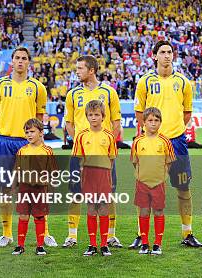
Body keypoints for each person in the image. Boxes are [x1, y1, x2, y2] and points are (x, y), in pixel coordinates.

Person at [132, 40, 202, 248]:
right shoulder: (144, 82)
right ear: (154, 56)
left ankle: (187, 233)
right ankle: (141, 234)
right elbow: (139, 112)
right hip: (152, 144)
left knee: (183, 187)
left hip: (177, 143)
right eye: (162, 52)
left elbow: (187, 113)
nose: (167, 55)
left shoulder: (183, 82)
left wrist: (173, 132)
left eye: (170, 52)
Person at [0, 47, 53, 247]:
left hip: (28, 143)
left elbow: (39, 118)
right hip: (4, 140)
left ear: (29, 63)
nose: (20, 61)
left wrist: (37, 142)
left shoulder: (37, 87)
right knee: (5, 189)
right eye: (17, 58)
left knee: (37, 188)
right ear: (12, 61)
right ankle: (7, 233)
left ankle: (45, 234)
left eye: (24, 58)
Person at [63, 55, 122, 248]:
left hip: (103, 154)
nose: (77, 72)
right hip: (80, 153)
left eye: (80, 68)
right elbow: (69, 124)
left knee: (109, 194)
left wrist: (106, 145)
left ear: (91, 70)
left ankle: (110, 236)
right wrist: (79, 144)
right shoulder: (72, 94)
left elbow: (116, 123)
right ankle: (72, 236)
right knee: (75, 193)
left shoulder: (108, 92)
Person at [71, 100, 117, 256]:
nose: (94, 117)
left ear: (103, 116)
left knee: (103, 208)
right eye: (90, 115)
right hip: (88, 176)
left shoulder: (109, 136)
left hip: (104, 175)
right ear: (86, 117)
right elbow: (79, 157)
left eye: (97, 114)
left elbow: (111, 158)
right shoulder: (82, 136)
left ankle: (104, 245)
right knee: (91, 208)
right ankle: (92, 245)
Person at [131, 107, 175, 255]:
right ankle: (144, 243)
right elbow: (134, 161)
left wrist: (162, 177)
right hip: (142, 183)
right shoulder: (137, 141)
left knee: (158, 211)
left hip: (158, 183)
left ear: (160, 123)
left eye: (156, 120)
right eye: (150, 120)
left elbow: (169, 162)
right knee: (143, 211)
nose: (153, 123)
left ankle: (157, 244)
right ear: (143, 122)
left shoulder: (165, 141)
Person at [11, 118, 56, 256]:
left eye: (32, 131)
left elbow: (53, 172)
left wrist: (50, 187)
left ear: (41, 132)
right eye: (27, 132)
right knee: (23, 216)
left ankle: (40, 246)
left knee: (39, 216)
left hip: (40, 189)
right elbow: (16, 170)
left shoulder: (47, 151)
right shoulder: (22, 151)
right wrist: (14, 187)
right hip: (24, 188)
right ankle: (20, 246)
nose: (29, 135)